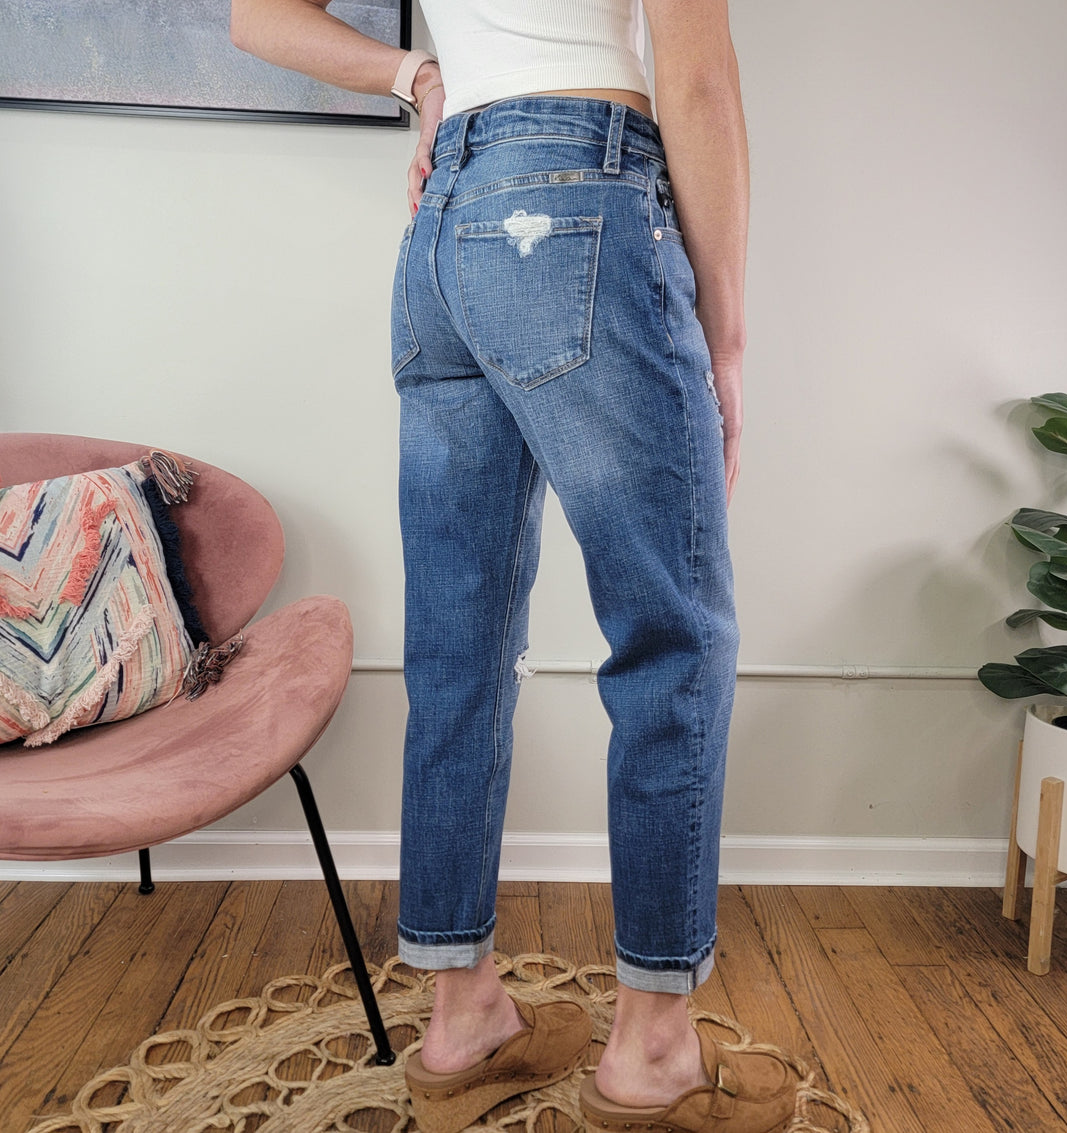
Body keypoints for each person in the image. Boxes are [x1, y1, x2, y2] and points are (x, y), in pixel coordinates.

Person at [230, 3, 796, 1132]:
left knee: (457, 649)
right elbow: (698, 83)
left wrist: (414, 76)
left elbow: (256, 16)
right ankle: (652, 1049)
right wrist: (726, 338)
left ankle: (461, 1018)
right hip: (581, 195)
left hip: (443, 226)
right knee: (672, 637)